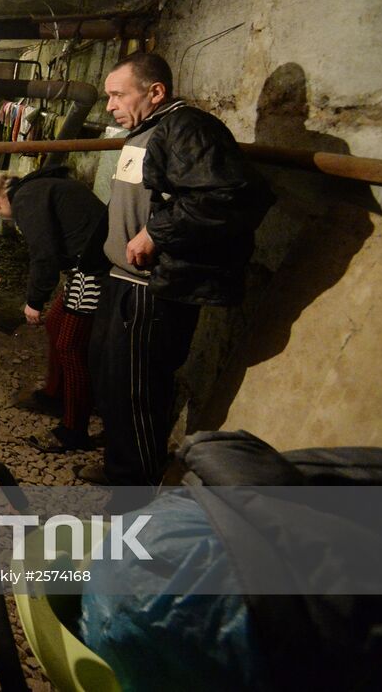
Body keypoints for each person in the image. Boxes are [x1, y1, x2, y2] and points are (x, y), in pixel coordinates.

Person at [85, 51, 272, 486]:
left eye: (117, 95)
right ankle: (122, 467)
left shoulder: (190, 128)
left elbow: (229, 196)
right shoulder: (145, 130)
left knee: (138, 391)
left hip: (153, 287)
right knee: (113, 379)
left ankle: (137, 487)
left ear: (155, 91)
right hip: (122, 279)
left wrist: (156, 234)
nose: (109, 106)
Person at [0, 163, 108, 452]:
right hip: (86, 264)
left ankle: (74, 430)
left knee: (70, 345)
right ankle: (55, 394)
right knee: (57, 323)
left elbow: (43, 255)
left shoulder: (28, 199)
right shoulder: (33, 188)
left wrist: (34, 301)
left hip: (96, 270)